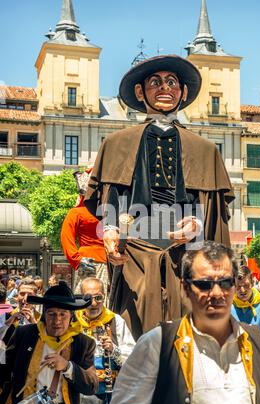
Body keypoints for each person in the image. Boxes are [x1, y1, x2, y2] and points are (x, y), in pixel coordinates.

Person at [85, 55, 234, 340]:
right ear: (141, 92)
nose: (164, 87)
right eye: (155, 82)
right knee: (138, 339)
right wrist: (111, 230)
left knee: (189, 338)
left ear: (184, 92)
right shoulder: (116, 144)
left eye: (171, 82)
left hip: (188, 256)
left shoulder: (205, 150)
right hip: (136, 253)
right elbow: (109, 199)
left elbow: (213, 213)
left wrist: (196, 225)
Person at [101, 241, 260, 404]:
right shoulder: (156, 346)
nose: (216, 293)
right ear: (186, 288)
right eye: (204, 284)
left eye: (225, 283)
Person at [0, 281, 98, 404]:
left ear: (71, 316)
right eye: (52, 314)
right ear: (44, 314)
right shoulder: (25, 334)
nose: (57, 320)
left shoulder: (84, 343)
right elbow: (3, 374)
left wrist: (68, 367)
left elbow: (91, 386)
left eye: (63, 314)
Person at [74, 277, 135, 404]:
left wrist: (113, 350)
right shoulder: (72, 321)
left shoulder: (115, 321)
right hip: (79, 393)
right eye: (88, 298)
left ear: (104, 297)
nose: (93, 303)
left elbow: (133, 356)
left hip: (108, 395)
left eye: (98, 297)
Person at [61, 169, 108, 297]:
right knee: (92, 299)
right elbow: (66, 237)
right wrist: (77, 260)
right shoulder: (77, 212)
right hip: (90, 262)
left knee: (100, 300)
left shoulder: (109, 211)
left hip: (105, 261)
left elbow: (66, 238)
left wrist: (77, 260)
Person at [2, 278, 41, 345]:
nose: (25, 299)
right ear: (17, 295)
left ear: (35, 297)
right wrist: (9, 322)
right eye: (22, 294)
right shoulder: (6, 315)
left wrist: (34, 324)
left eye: (30, 295)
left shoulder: (41, 319)